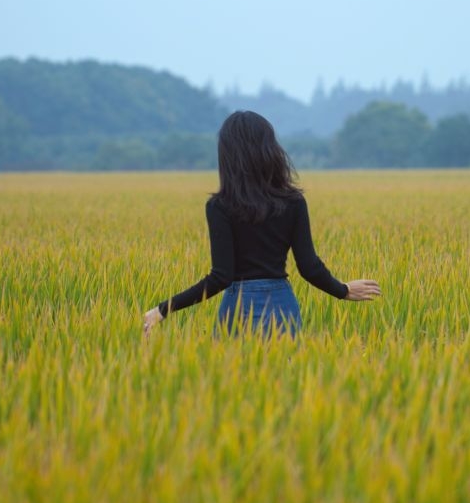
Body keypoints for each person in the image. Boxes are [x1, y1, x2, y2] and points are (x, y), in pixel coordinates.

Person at [143, 110, 380, 337]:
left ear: (227, 155)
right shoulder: (293, 201)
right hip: (282, 306)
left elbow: (221, 277)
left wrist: (163, 309)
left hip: (238, 309)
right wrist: (343, 290)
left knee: (234, 367)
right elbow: (309, 267)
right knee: (285, 367)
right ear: (270, 150)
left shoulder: (220, 206)